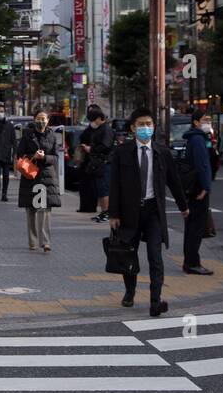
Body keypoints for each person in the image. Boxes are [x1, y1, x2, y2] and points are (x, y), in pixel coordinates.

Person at [108, 108, 189, 316]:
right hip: (129, 212)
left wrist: (183, 206)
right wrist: (113, 214)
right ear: (133, 128)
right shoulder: (122, 152)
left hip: (154, 211)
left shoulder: (162, 152)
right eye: (142, 124)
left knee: (156, 256)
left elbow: (174, 181)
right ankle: (130, 292)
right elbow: (114, 184)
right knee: (129, 255)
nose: (146, 128)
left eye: (149, 124)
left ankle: (155, 300)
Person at [17, 107, 61, 252]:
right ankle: (33, 241)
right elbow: (19, 155)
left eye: (44, 118)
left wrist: (45, 157)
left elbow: (55, 157)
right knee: (32, 210)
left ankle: (46, 242)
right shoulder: (27, 136)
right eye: (39, 118)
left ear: (48, 121)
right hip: (31, 176)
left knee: (44, 209)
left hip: (46, 177)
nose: (41, 121)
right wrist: (33, 156)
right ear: (34, 119)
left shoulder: (52, 136)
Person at [181, 108, 214, 276]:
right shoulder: (198, 139)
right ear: (196, 122)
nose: (208, 122)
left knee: (192, 226)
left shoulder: (194, 138)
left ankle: (190, 262)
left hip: (192, 187)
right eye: (205, 119)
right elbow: (202, 165)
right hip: (198, 189)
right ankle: (192, 263)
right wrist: (205, 187)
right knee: (196, 228)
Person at [79, 106, 115, 221]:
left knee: (104, 188)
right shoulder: (100, 128)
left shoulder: (106, 129)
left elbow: (106, 146)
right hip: (98, 162)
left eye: (94, 120)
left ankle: (107, 212)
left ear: (99, 118)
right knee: (100, 188)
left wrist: (91, 148)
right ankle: (104, 212)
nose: (92, 123)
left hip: (104, 162)